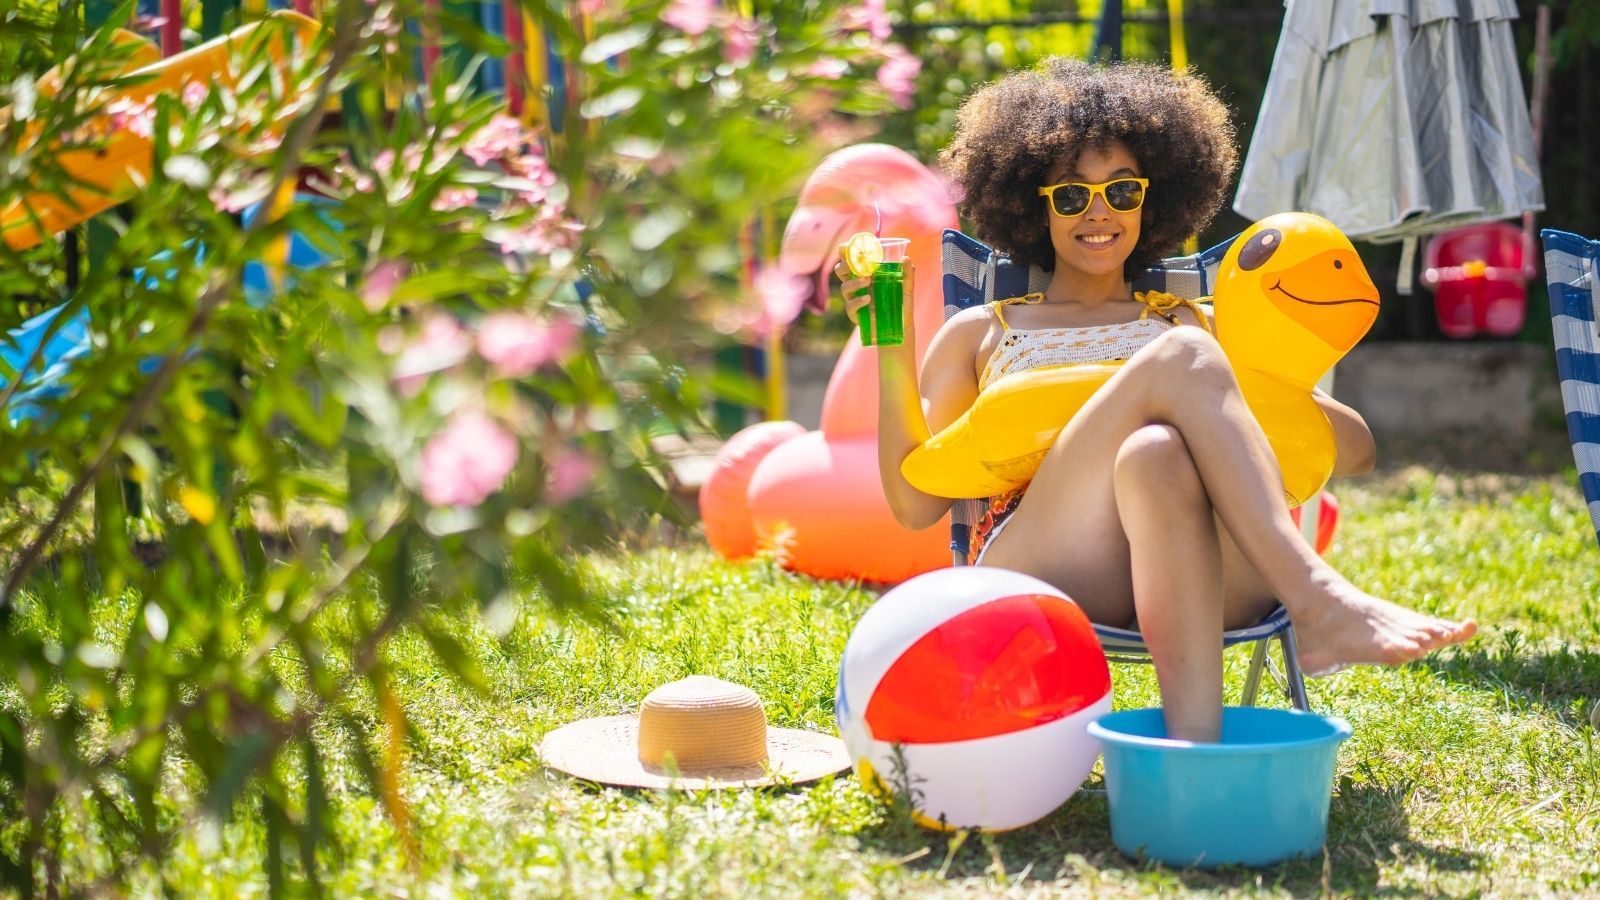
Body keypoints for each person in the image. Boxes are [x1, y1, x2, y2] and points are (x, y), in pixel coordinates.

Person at [837, 58, 1476, 743]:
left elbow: (1355, 451)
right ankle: (1317, 596)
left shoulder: (1195, 319)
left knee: (1156, 452)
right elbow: (915, 506)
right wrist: (892, 339)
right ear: (1035, 205)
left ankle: (1191, 754)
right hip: (1046, 564)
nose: (1100, 213)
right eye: (1073, 197)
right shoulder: (981, 332)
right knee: (1179, 359)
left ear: (1153, 198)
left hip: (1206, 565)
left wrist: (1254, 388)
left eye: (1122, 190)